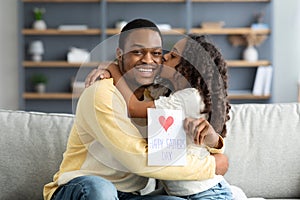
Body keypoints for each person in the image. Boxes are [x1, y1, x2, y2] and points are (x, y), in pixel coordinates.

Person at [44, 19, 228, 200]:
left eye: (156, 53)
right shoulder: (101, 93)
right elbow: (139, 159)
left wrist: (216, 146)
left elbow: (187, 141)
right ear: (120, 55)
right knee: (101, 190)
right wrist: (211, 166)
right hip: (83, 187)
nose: (148, 60)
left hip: (129, 195)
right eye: (137, 52)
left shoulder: (158, 96)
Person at [88, 34, 233, 199]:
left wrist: (112, 68)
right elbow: (139, 90)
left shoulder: (189, 97)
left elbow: (134, 107)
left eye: (173, 56)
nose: (164, 56)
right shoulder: (172, 95)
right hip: (181, 193)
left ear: (188, 66)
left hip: (206, 193)